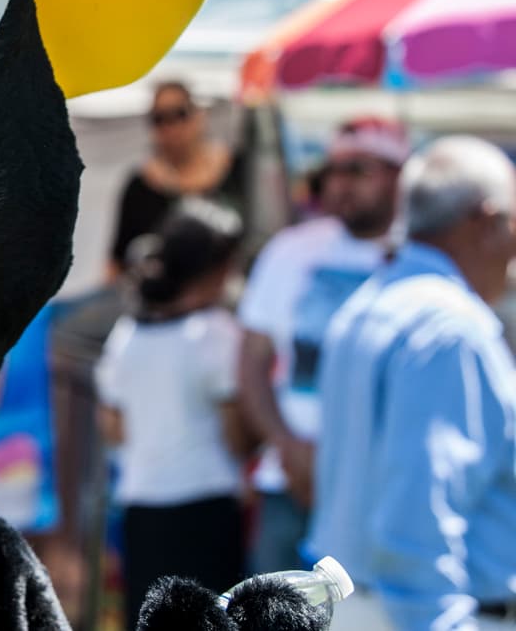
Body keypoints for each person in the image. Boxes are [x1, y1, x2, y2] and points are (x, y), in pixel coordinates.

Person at [308, 136, 516, 631]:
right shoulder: (450, 328)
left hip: (353, 606)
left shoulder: (368, 304)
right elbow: (417, 508)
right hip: (426, 614)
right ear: (485, 221)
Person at [236, 116, 409, 574]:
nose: (342, 184)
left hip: (379, 490)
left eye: (360, 170)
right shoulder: (290, 251)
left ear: (399, 178)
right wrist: (286, 444)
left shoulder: (416, 259)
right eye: (335, 169)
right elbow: (251, 363)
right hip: (290, 483)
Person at [96, 198, 252, 631]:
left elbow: (112, 428)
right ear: (219, 266)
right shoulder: (217, 335)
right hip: (208, 509)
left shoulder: (126, 336)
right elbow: (237, 437)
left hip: (142, 511)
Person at [108, 81, 241, 279]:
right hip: (163, 304)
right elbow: (116, 263)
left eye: (180, 114)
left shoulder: (235, 169)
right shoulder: (141, 186)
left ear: (199, 115)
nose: (171, 127)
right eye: (159, 119)